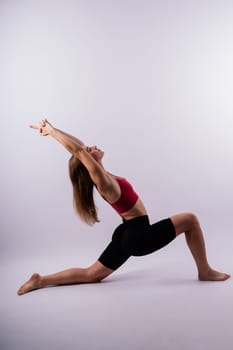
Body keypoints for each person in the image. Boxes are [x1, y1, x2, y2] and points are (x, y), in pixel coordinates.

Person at [17, 119, 230, 295]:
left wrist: (54, 128)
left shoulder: (104, 176)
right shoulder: (104, 182)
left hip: (127, 232)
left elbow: (79, 147)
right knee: (190, 219)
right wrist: (53, 133)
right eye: (88, 151)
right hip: (139, 235)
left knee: (91, 274)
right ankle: (205, 271)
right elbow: (79, 150)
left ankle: (41, 280)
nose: (91, 147)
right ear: (87, 164)